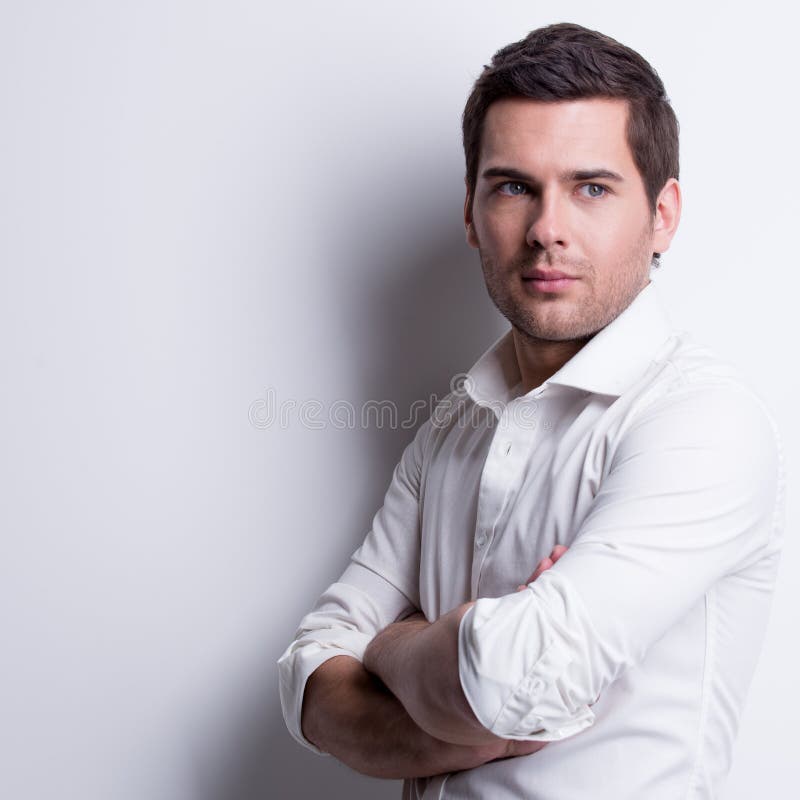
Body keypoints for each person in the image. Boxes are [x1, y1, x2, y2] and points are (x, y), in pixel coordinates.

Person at [278, 22, 785, 799]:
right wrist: (457, 678)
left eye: (591, 187)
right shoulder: (452, 429)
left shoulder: (703, 424)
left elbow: (519, 682)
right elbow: (311, 673)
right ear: (472, 213)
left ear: (664, 214)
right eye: (514, 186)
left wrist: (395, 645)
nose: (548, 229)